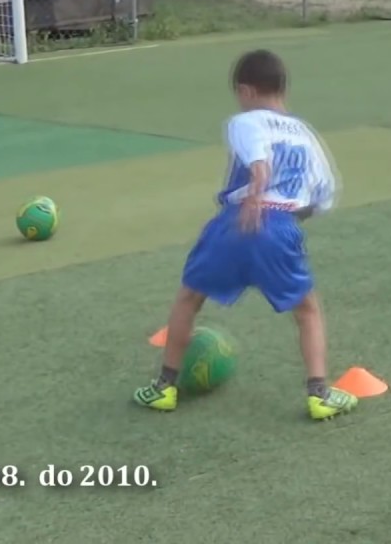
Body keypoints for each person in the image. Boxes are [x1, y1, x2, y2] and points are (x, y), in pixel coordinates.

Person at [134, 49, 357, 422]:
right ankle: (319, 392)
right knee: (307, 310)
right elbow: (324, 194)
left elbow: (258, 159)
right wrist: (286, 217)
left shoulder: (246, 121)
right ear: (283, 89)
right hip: (282, 226)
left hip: (237, 220)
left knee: (189, 298)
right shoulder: (305, 134)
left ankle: (164, 387)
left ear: (245, 90)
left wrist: (256, 192)